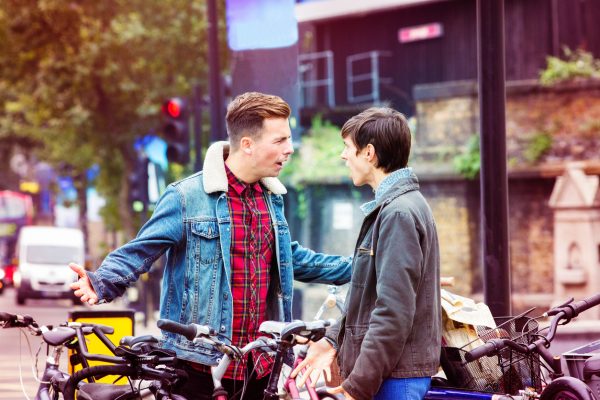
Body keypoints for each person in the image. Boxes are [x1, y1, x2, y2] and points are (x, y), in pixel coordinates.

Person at [69, 92, 352, 400]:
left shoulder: (271, 199)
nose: (290, 148)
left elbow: (290, 259)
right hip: (198, 367)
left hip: (258, 368)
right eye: (280, 140)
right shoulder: (186, 197)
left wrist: (362, 266)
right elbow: (141, 250)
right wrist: (102, 281)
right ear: (247, 144)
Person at [291, 107, 441, 400]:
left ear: (369, 152)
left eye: (348, 147)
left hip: (396, 378)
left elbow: (392, 313)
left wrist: (355, 389)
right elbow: (368, 297)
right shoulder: (400, 206)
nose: (343, 156)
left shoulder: (398, 212)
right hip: (394, 373)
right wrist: (333, 339)